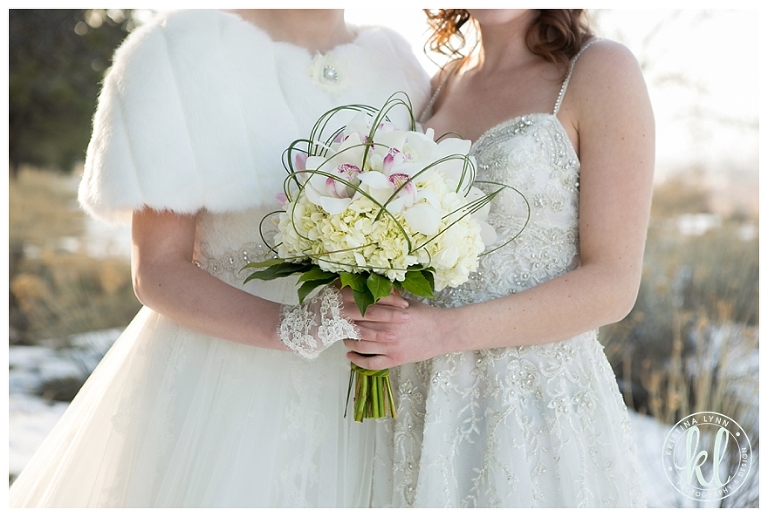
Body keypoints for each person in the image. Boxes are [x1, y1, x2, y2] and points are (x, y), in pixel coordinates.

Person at [9, 9, 428, 507]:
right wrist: (296, 326)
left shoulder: (397, 63)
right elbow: (156, 270)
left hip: (375, 392)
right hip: (224, 387)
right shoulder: (178, 52)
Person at [347, 9, 653, 507]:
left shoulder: (600, 70)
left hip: (533, 410)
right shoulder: (441, 83)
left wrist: (442, 333)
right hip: (421, 405)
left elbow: (613, 284)